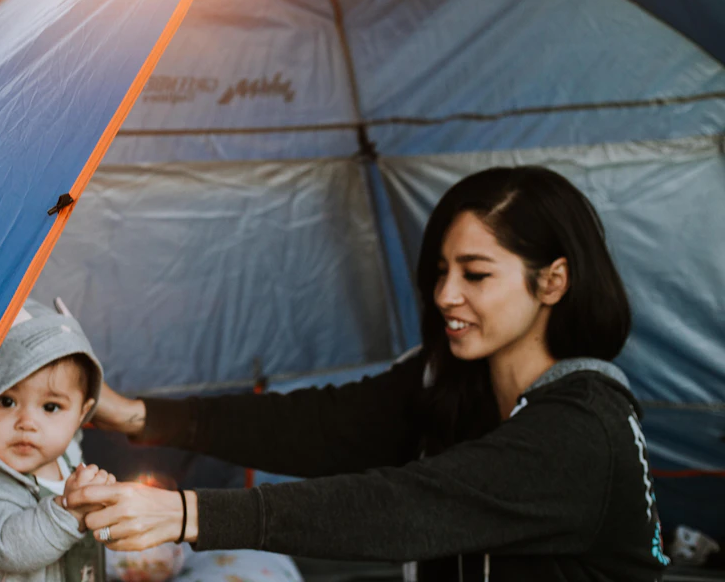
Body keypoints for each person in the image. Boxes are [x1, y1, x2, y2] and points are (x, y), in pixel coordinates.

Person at [67, 166, 671, 581]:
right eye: (440, 271)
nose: (445, 295)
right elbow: (317, 425)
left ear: (553, 281)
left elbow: (402, 507)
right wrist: (136, 414)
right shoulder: (449, 383)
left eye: (475, 274)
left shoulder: (583, 429)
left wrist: (185, 514)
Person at [0, 303, 115, 582]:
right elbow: (11, 548)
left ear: (82, 414)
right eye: (7, 401)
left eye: (51, 407)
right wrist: (70, 511)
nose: (26, 422)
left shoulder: (69, 457)